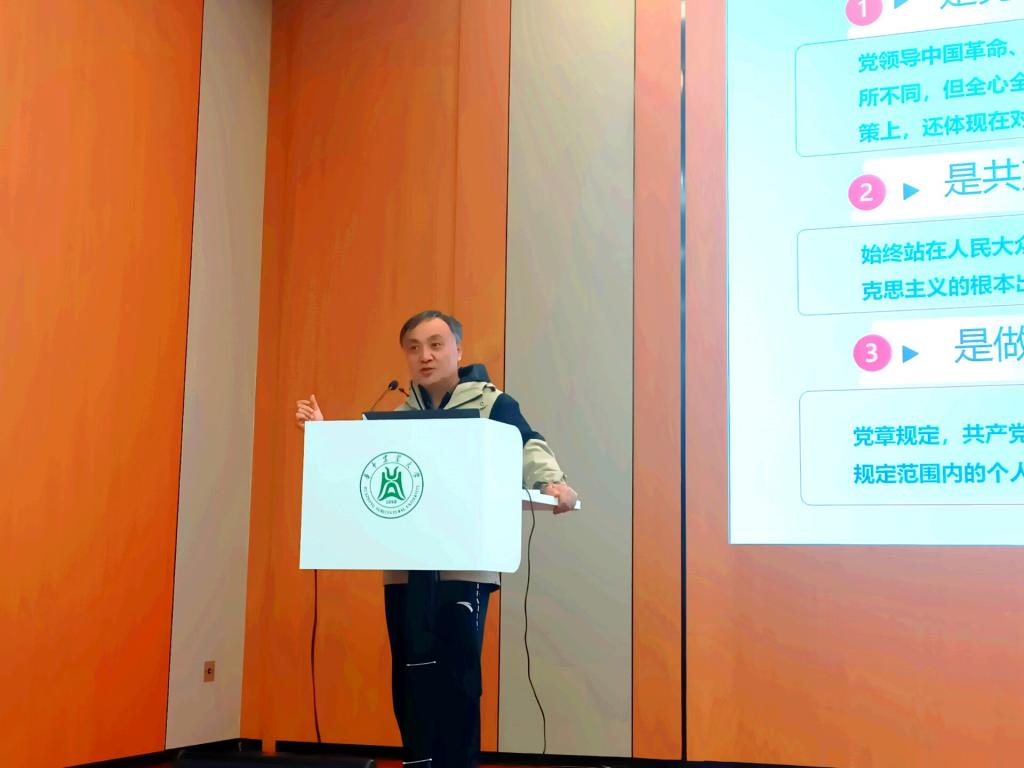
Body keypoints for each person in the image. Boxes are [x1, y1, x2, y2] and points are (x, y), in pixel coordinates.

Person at [295, 309, 578, 768]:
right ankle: (418, 762)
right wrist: (326, 436)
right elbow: (362, 466)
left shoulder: (492, 405)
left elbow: (526, 444)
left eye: (435, 345)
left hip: (463, 567)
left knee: (457, 679)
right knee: (410, 678)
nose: (424, 356)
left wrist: (553, 481)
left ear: (458, 350)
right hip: (405, 570)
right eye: (413, 348)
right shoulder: (395, 416)